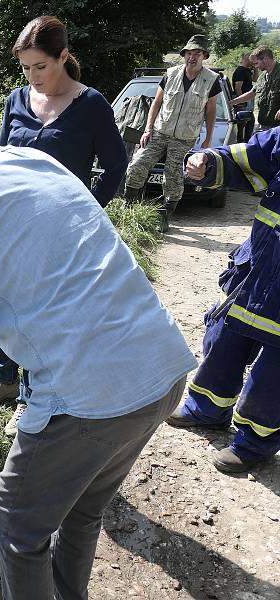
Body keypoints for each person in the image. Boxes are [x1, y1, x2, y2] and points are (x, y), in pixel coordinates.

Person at [0, 97, 196, 600]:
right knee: (83, 506)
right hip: (159, 367)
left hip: (92, 394)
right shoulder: (35, 159)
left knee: (15, 517)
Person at [0, 15, 127, 415]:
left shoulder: (91, 105)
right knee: (7, 304)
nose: (32, 76)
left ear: (62, 57)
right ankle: (5, 382)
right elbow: (0, 162)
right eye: (25, 68)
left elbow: (116, 166)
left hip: (61, 235)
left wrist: (88, 213)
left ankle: (32, 400)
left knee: (41, 316)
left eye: (40, 66)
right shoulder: (17, 100)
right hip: (11, 230)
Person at [166, 126, 280, 473]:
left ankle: (255, 442)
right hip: (258, 270)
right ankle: (207, 408)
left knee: (273, 374)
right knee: (223, 339)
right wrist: (209, 161)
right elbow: (245, 160)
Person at [124, 34, 221, 229]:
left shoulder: (211, 80)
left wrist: (208, 139)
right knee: (137, 164)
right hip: (160, 131)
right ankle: (129, 209)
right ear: (184, 54)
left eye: (197, 53)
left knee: (174, 176)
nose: (192, 57)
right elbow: (156, 103)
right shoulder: (171, 74)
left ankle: (165, 215)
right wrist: (147, 129)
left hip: (185, 138)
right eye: (189, 53)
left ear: (204, 56)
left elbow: (211, 111)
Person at [229, 46, 280, 133]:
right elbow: (252, 93)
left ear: (266, 59)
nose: (255, 67)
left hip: (277, 127)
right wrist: (232, 102)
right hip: (264, 125)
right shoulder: (263, 76)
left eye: (256, 63)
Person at [231, 52, 256, 142]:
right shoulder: (240, 71)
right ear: (247, 59)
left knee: (248, 121)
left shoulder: (247, 70)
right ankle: (243, 142)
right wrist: (241, 102)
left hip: (248, 99)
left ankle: (246, 141)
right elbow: (238, 87)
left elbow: (255, 79)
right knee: (243, 123)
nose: (254, 61)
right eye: (252, 59)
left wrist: (255, 68)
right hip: (243, 99)